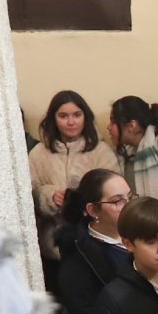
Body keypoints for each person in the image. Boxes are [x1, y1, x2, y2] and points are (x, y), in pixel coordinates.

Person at [52, 168, 135, 314]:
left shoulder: (141, 234)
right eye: (118, 201)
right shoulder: (79, 260)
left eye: (130, 197)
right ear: (93, 210)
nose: (129, 206)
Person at [28, 89, 117, 262]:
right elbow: (28, 194)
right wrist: (50, 196)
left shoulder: (101, 152)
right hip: (51, 246)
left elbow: (115, 196)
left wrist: (81, 199)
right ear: (53, 119)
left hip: (95, 244)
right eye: (63, 116)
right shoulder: (38, 153)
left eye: (77, 115)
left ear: (85, 117)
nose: (71, 122)